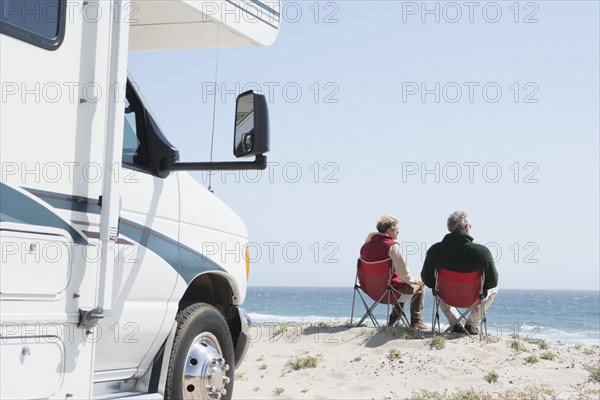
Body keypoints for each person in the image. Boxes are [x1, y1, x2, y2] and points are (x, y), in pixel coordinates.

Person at [421, 211, 499, 335]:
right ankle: (471, 324)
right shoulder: (482, 252)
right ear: (466, 228)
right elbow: (493, 281)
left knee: (437, 287)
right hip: (474, 298)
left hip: (447, 296)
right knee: (495, 287)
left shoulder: (435, 250)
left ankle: (455, 323)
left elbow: (427, 280)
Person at [360, 215, 426, 330]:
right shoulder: (392, 246)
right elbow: (403, 273)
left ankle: (394, 321)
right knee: (419, 285)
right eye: (397, 232)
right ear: (390, 230)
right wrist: (414, 280)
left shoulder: (365, 246)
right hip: (389, 292)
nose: (397, 236)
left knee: (397, 282)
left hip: (371, 291)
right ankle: (416, 322)